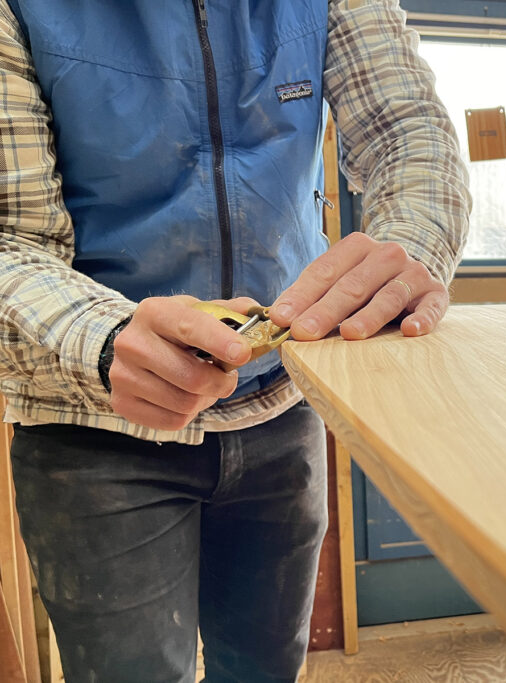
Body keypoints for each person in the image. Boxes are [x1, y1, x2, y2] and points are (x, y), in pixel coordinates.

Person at [0, 0, 470, 681]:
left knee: (267, 669)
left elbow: (410, 134)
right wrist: (104, 336)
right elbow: (11, 237)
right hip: (93, 429)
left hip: (283, 409)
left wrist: (410, 246)